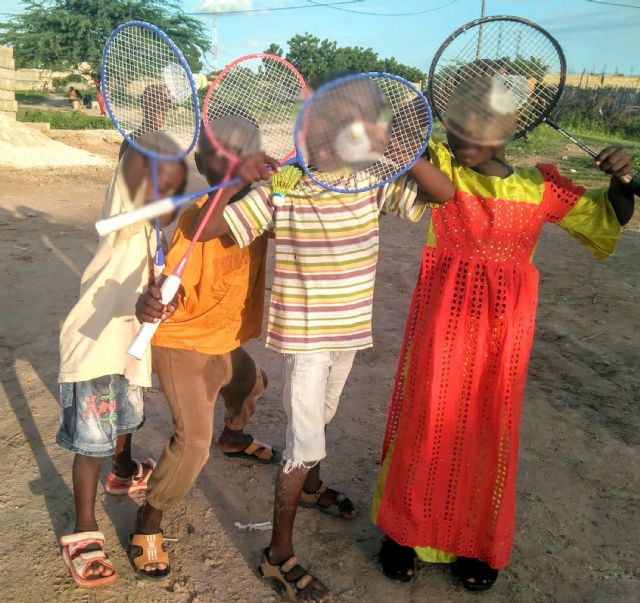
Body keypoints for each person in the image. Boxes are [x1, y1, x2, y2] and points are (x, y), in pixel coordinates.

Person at [187, 81, 455, 601]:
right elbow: (207, 228)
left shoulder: (369, 181)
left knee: (323, 420)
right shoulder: (284, 187)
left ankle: (310, 487)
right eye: (338, 122)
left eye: (362, 124)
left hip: (348, 333)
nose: (349, 133)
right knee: (303, 442)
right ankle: (278, 555)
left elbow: (443, 194)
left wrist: (400, 153)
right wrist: (236, 181)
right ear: (312, 127)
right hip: (307, 341)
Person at [371, 76, 636, 592]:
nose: (455, 135)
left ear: (511, 127)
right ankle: (404, 533)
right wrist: (414, 103)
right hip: (441, 328)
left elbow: (610, 219)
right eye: (451, 125)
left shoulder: (542, 188)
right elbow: (400, 144)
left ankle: (474, 541)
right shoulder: (442, 172)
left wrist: (623, 179)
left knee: (487, 428)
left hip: (502, 335)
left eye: (471, 124)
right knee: (427, 419)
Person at [128, 117, 283, 580]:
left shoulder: (261, 207)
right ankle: (150, 516)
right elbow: (202, 241)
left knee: (252, 383)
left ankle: (233, 436)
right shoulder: (200, 215)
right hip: (184, 346)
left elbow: (301, 226)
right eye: (228, 155)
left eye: (247, 151)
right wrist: (158, 301)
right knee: (192, 444)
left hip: (225, 341)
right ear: (205, 163)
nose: (239, 160)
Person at [56, 132, 187, 588]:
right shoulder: (123, 219)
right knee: (90, 443)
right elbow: (134, 160)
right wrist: (148, 126)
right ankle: (83, 528)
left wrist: (168, 298)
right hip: (95, 349)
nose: (174, 187)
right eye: (164, 177)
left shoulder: (156, 232)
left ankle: (124, 472)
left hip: (127, 351)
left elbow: (160, 286)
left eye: (178, 179)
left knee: (124, 420)